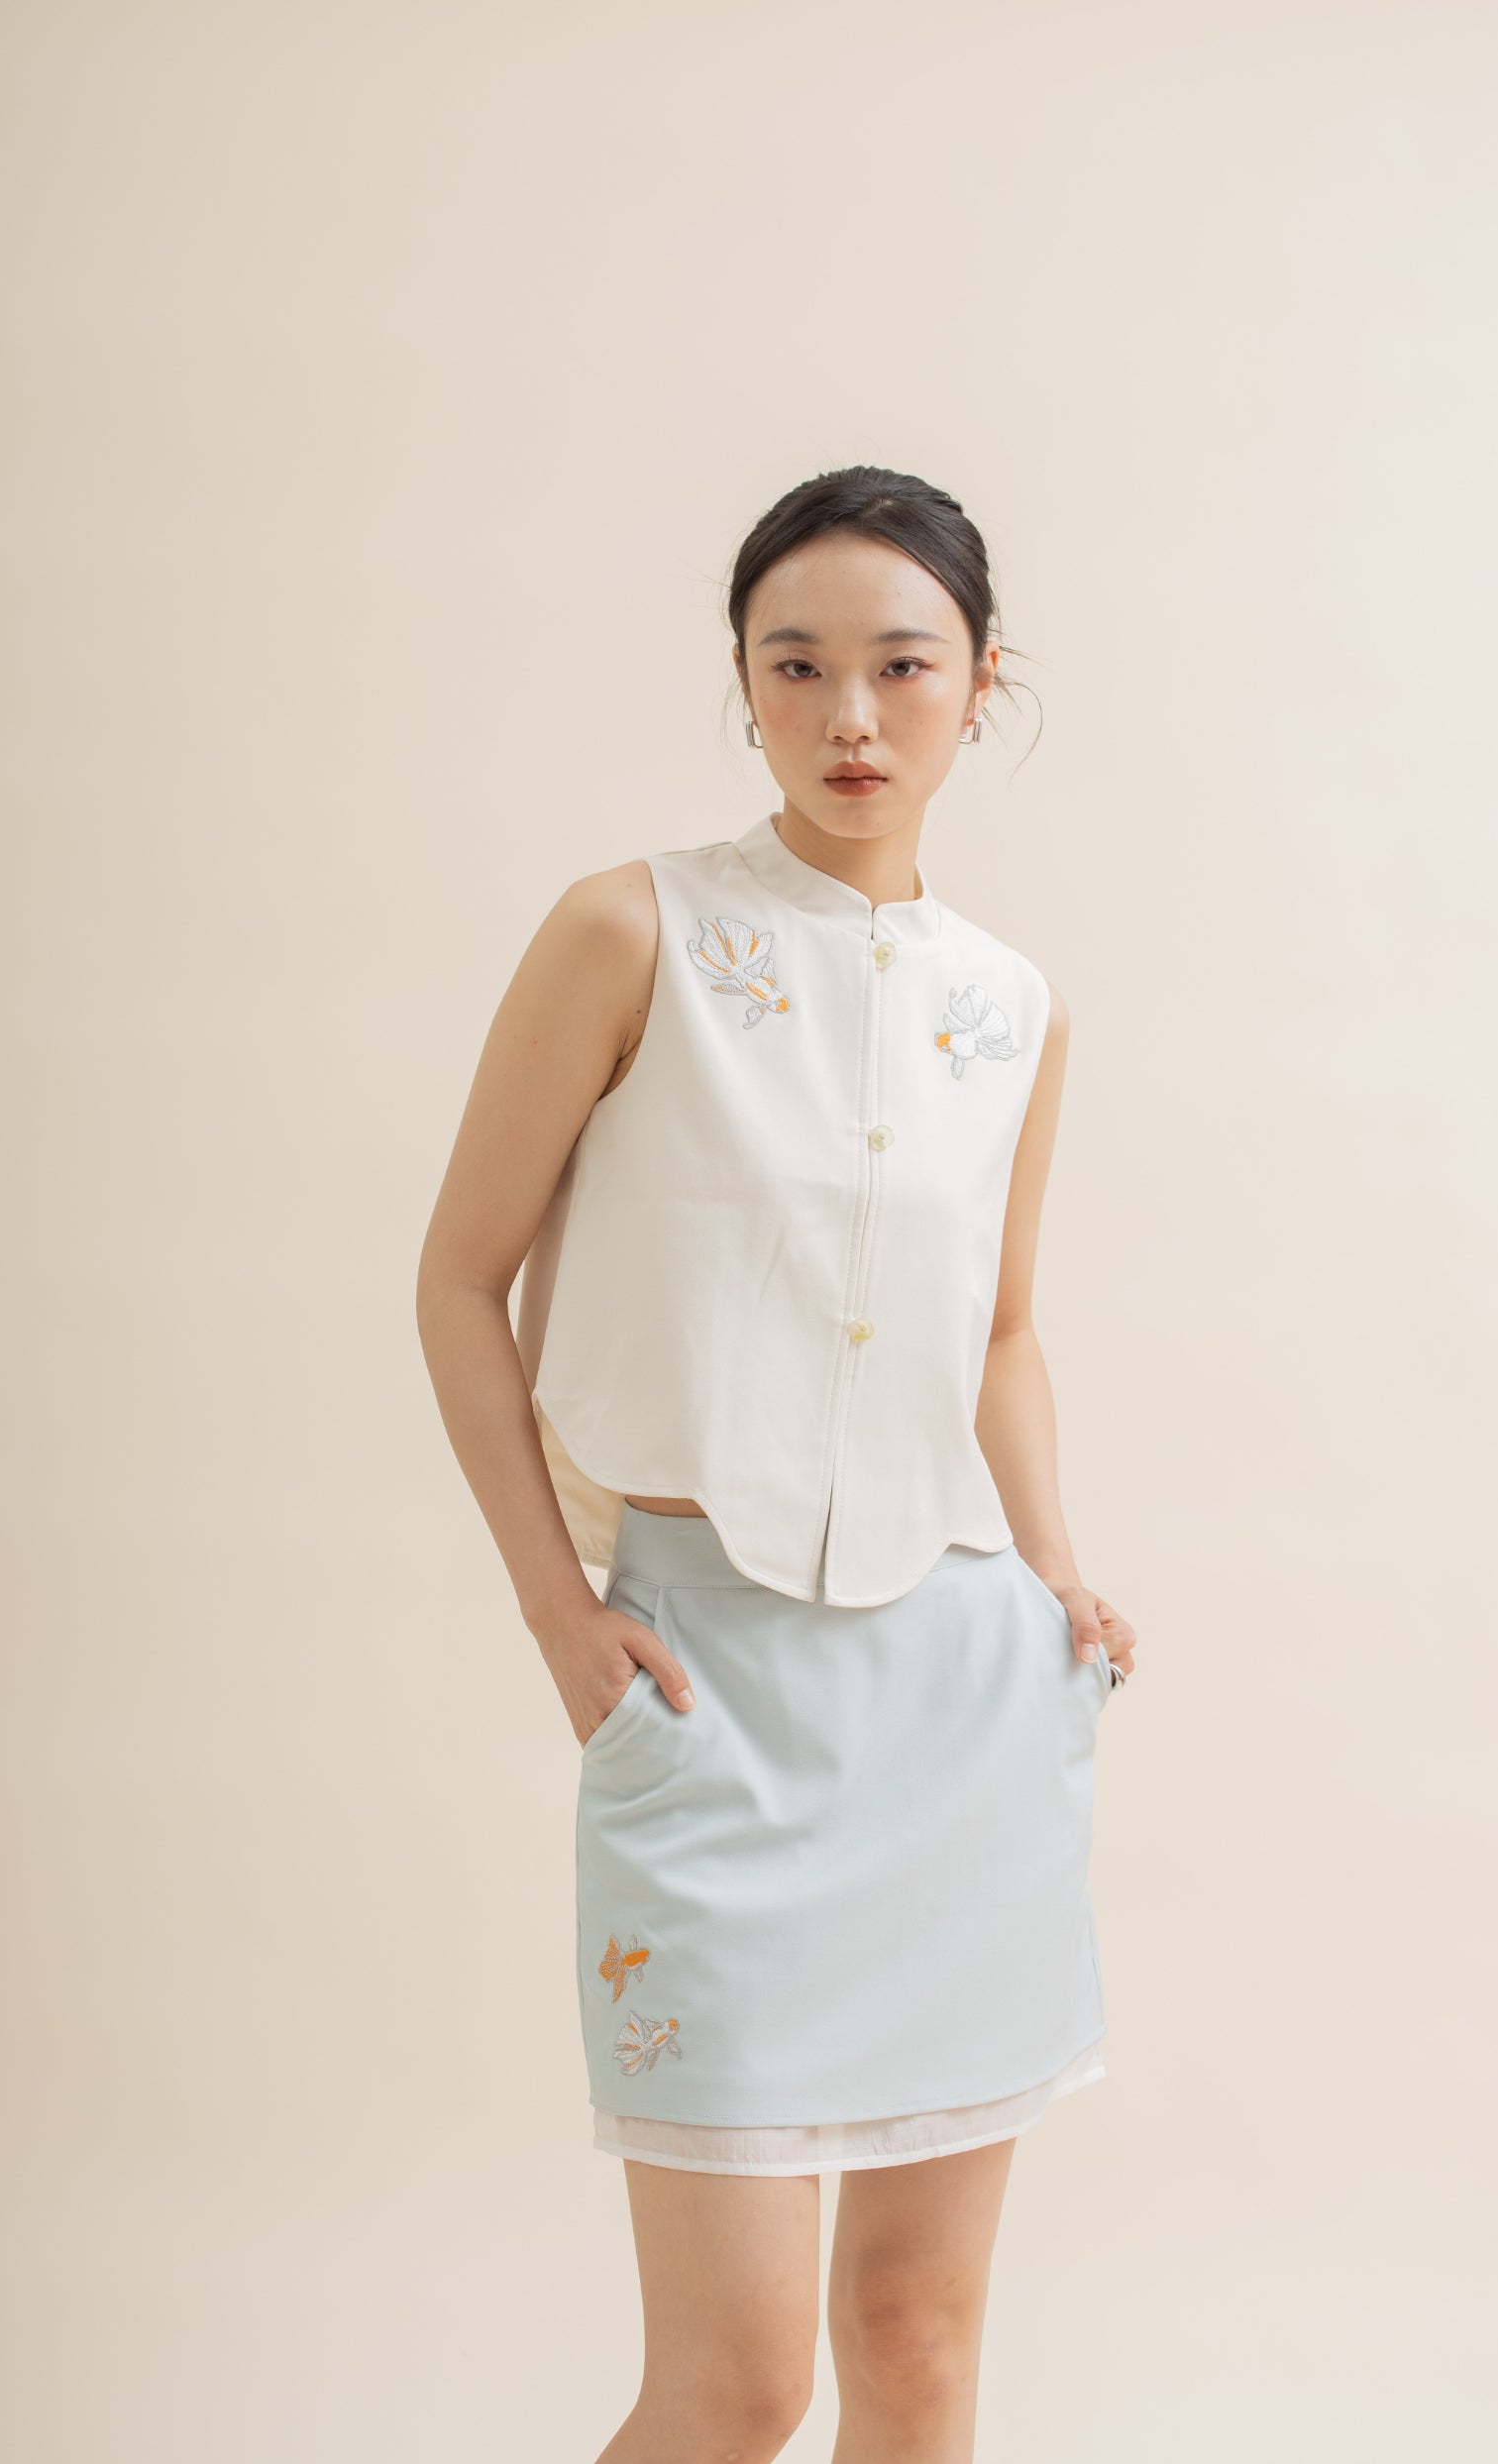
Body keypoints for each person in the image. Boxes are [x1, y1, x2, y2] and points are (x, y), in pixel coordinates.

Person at [416, 465, 1138, 2462]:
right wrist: (557, 1615)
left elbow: (997, 1333)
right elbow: (459, 1281)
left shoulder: (1011, 1007)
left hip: (963, 1705)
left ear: (980, 683)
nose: (850, 715)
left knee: (914, 2339)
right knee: (735, 2386)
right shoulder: (628, 931)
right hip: (705, 1694)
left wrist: (1059, 1570)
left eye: (902, 665)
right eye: (794, 664)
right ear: (741, 683)